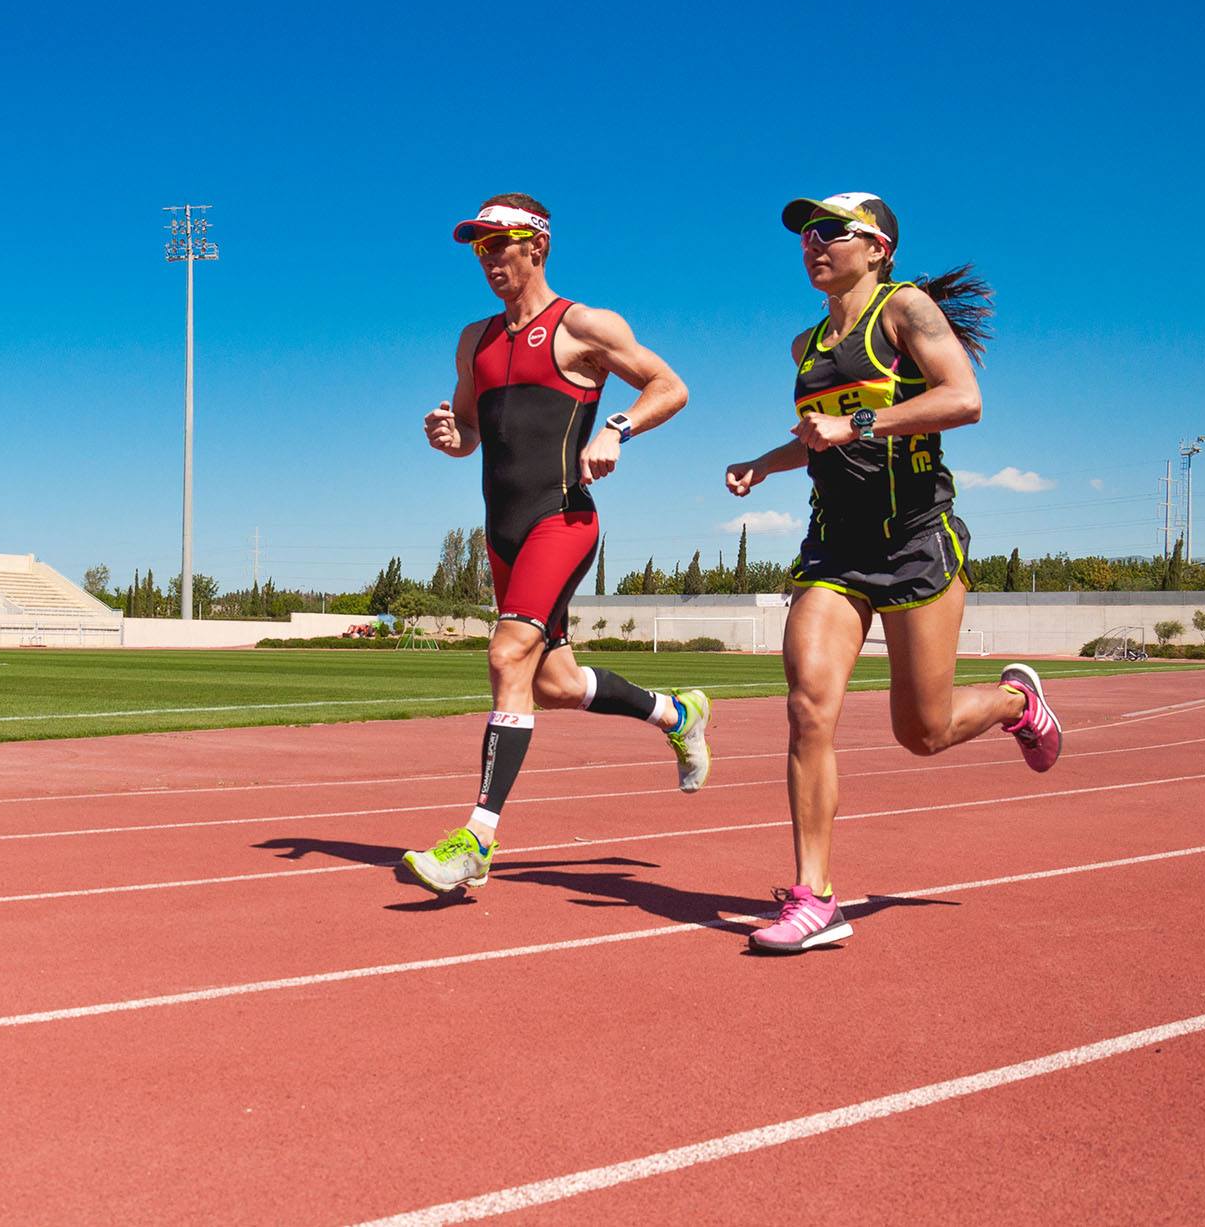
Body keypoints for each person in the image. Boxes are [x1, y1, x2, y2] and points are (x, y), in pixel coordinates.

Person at [723, 192, 1062, 953]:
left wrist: (858, 423)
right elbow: (819, 438)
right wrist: (766, 463)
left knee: (923, 730)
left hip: (914, 540)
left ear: (877, 248)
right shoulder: (803, 346)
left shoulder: (905, 311)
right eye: (806, 235)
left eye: (830, 232)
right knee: (809, 703)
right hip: (834, 548)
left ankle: (1015, 703)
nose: (813, 245)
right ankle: (815, 897)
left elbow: (964, 399)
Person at [400, 193, 712, 895]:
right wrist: (451, 438)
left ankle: (476, 838)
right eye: (478, 249)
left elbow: (671, 385)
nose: (487, 261)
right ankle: (678, 712)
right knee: (553, 682)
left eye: (498, 245)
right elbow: (470, 430)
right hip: (503, 533)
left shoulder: (583, 326)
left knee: (507, 652)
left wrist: (618, 429)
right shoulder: (472, 340)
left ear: (536, 246)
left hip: (562, 519)